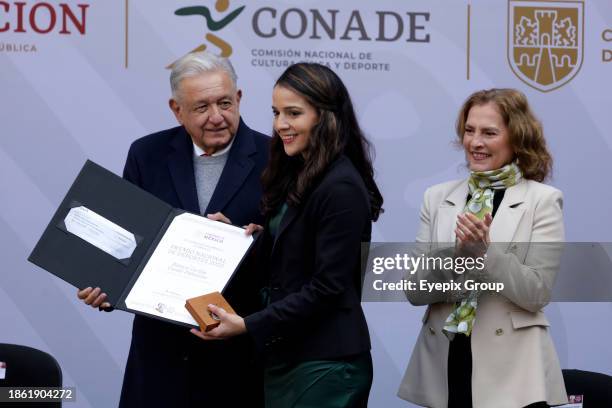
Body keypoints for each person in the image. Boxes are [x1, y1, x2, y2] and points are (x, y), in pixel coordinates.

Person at [77, 51, 269, 407]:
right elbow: (124, 243)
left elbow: (291, 261)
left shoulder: (276, 159)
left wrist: (244, 242)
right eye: (201, 107)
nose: (216, 117)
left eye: (225, 103)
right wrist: (107, 289)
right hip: (159, 359)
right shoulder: (146, 154)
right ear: (176, 109)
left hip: (237, 361)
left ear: (239, 98)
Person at [191, 62, 384, 408]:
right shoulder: (304, 173)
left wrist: (248, 325)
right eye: (276, 112)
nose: (280, 125)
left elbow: (327, 288)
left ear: (326, 116)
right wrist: (238, 239)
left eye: (293, 113)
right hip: (290, 357)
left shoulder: (340, 186)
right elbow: (293, 255)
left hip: (325, 364)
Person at [397, 88, 568, 408]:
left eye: (489, 133)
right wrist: (456, 257)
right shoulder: (436, 197)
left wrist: (485, 254)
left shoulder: (542, 201)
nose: (475, 142)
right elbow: (414, 290)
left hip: (513, 372)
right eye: (469, 131)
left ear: (516, 138)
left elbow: (536, 292)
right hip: (446, 363)